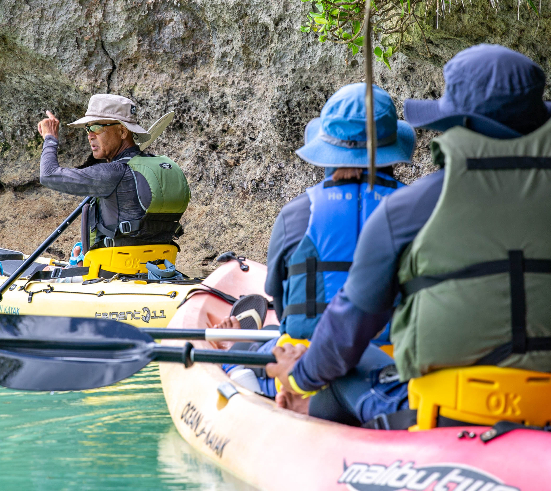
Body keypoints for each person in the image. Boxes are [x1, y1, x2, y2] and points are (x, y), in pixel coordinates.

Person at [265, 44, 551, 426]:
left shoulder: (407, 211)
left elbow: (347, 329)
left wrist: (300, 377)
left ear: (454, 124)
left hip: (457, 417)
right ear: (542, 119)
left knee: (342, 365)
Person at [213, 83, 417, 408]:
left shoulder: (296, 213)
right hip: (397, 368)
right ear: (393, 149)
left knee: (248, 352)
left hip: (303, 360)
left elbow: (281, 304)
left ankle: (238, 360)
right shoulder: (420, 209)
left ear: (328, 153)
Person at [37, 94, 189, 264]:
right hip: (159, 267)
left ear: (123, 131)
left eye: (96, 127)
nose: (90, 135)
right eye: (88, 128)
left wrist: (50, 139)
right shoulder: (155, 168)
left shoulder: (114, 172)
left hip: (113, 271)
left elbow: (48, 174)